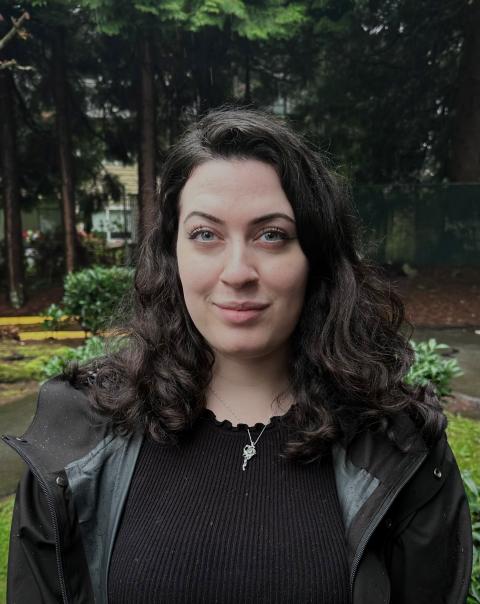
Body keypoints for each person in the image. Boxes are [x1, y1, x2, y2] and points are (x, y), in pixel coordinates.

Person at [3, 107, 472, 604]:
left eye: (272, 235)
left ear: (316, 255)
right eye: (206, 234)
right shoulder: (76, 441)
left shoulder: (401, 449)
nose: (237, 271)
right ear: (171, 253)